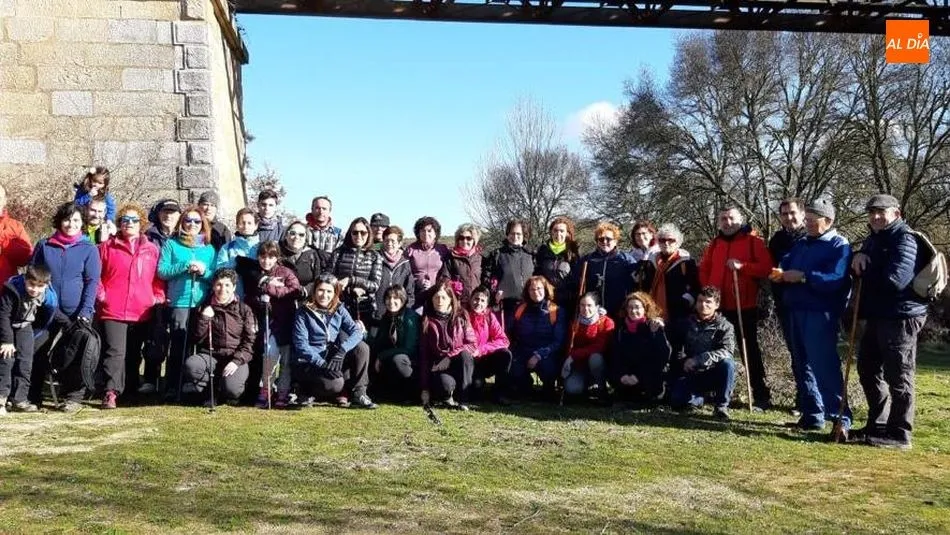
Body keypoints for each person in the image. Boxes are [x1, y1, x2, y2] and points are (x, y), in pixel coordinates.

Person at [851, 194, 929, 450]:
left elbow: (895, 280)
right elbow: (867, 263)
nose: (875, 216)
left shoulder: (905, 239)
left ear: (896, 213)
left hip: (902, 316)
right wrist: (858, 255)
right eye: (871, 212)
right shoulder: (875, 239)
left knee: (900, 376)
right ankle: (879, 425)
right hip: (879, 315)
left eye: (881, 212)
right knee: (867, 368)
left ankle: (900, 434)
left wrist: (866, 266)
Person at [774, 199, 851, 433]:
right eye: (806, 219)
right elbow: (786, 263)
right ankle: (812, 415)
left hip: (820, 313)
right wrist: (779, 272)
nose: (806, 223)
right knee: (802, 365)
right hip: (794, 309)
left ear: (828, 220)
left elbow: (836, 278)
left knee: (824, 365)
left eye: (811, 220)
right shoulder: (802, 243)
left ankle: (840, 418)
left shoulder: (839, 245)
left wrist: (804, 277)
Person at [699, 206, 773, 411]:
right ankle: (716, 392)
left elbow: (766, 268)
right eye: (723, 219)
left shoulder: (753, 242)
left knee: (749, 351)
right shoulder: (714, 244)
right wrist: (709, 291)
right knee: (715, 349)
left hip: (744, 305)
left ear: (740, 219)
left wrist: (743, 266)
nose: (728, 222)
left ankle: (761, 395)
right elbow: (704, 268)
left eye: (731, 218)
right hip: (718, 308)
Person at [28, 202, 102, 411]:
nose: (71, 224)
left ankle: (73, 398)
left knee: (77, 353)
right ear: (60, 221)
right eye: (67, 219)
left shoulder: (89, 249)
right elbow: (33, 275)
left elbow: (92, 282)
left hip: (77, 313)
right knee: (36, 350)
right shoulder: (45, 245)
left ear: (82, 223)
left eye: (76, 220)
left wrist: (86, 310)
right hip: (46, 310)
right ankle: (32, 396)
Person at [96, 204, 165, 409]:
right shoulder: (107, 247)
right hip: (113, 309)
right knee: (115, 351)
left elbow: (158, 278)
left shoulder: (151, 250)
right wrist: (101, 294)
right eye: (125, 220)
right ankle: (110, 392)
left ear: (141, 223)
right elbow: (95, 275)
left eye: (134, 220)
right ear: (119, 223)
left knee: (134, 353)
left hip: (141, 310)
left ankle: (130, 390)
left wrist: (156, 297)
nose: (130, 223)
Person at [292, 274, 377, 409]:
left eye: (329, 291)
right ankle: (306, 390)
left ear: (335, 293)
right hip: (311, 362)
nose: (324, 295)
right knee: (336, 385)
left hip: (331, 356)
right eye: (321, 290)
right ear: (314, 291)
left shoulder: (339, 309)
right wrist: (322, 364)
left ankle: (359, 393)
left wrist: (342, 350)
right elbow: (301, 345)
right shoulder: (303, 312)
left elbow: (356, 332)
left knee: (362, 348)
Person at [157, 206, 216, 401]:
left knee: (199, 345)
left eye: (197, 221)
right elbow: (162, 271)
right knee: (178, 346)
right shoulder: (171, 244)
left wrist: (203, 271)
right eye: (188, 220)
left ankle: (195, 387)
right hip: (179, 302)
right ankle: (173, 386)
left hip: (201, 303)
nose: (192, 224)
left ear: (202, 224)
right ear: (181, 222)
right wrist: (184, 266)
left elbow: (214, 277)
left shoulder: (208, 249)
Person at [240, 240, 302, 409]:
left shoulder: (285, 272)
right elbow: (249, 296)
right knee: (269, 356)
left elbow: (294, 290)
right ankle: (266, 389)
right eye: (263, 257)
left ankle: (283, 391)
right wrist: (260, 298)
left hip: (286, 322)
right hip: (268, 323)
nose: (266, 261)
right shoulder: (255, 273)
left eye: (271, 257)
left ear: (277, 257)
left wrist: (270, 289)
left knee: (286, 360)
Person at [182, 269, 256, 405]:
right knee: (192, 365)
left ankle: (223, 392)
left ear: (234, 287)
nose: (223, 289)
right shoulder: (204, 307)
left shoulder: (244, 310)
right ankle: (208, 392)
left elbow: (249, 342)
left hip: (234, 358)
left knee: (232, 390)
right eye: (219, 284)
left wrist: (236, 361)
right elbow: (196, 338)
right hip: (210, 356)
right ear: (213, 286)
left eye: (227, 285)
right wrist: (204, 318)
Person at [0, 266, 67, 413]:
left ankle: (19, 399)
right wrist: (7, 341)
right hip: (6, 325)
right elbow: (3, 315)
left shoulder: (48, 295)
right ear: (25, 280)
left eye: (40, 286)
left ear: (47, 285)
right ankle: (1, 399)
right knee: (7, 359)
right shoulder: (11, 290)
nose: (34, 289)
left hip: (25, 325)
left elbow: (53, 311)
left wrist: (69, 324)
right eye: (31, 284)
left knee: (25, 361)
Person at [669, 286, 737, 420]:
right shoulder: (686, 323)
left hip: (713, 372)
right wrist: (684, 361)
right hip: (691, 373)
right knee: (677, 401)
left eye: (708, 302)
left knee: (728, 364)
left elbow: (727, 351)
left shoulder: (725, 326)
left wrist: (698, 360)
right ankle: (699, 398)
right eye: (700, 301)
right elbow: (675, 347)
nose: (703, 305)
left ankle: (721, 406)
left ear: (716, 305)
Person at [139, 198, 181, 394]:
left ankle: (173, 381)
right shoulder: (148, 236)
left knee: (177, 339)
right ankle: (150, 378)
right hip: (153, 295)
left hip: (177, 294)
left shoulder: (185, 236)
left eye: (173, 212)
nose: (168, 216)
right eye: (165, 212)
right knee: (154, 338)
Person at [419, 280, 476, 410]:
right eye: (436, 297)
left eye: (443, 297)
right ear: (432, 299)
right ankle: (448, 395)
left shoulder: (462, 316)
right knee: (444, 385)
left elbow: (472, 344)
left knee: (465, 355)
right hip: (440, 366)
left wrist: (450, 356)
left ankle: (464, 399)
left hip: (459, 363)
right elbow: (424, 356)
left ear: (451, 299)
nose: (440, 301)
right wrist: (425, 388)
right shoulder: (427, 321)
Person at [509, 276, 566, 399]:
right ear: (527, 292)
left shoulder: (556, 310)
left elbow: (558, 341)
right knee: (514, 370)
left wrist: (538, 355)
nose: (536, 292)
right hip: (523, 350)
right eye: (532, 289)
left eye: (539, 288)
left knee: (548, 369)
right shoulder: (519, 309)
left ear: (545, 289)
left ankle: (549, 388)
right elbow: (510, 333)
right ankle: (525, 387)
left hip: (546, 352)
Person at [611, 292, 671, 403]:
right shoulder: (621, 329)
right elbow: (616, 355)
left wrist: (638, 376)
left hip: (647, 375)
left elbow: (662, 356)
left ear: (645, 309)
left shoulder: (653, 326)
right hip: (627, 376)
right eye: (630, 307)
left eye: (637, 307)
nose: (633, 311)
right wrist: (622, 374)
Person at [636, 224, 700, 323]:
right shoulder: (650, 262)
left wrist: (686, 300)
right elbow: (645, 286)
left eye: (671, 240)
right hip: (653, 312)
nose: (666, 243)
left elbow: (695, 286)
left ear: (677, 242)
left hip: (680, 314)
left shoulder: (686, 262)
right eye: (662, 240)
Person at [329, 217, 383, 325]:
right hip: (339, 306)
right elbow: (327, 277)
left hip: (365, 308)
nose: (359, 236)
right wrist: (338, 285)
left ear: (368, 234)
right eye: (355, 232)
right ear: (350, 234)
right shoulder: (338, 253)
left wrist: (351, 280)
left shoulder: (374, 256)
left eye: (363, 233)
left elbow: (375, 285)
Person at [562, 292, 614, 403]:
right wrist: (568, 359)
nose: (585, 309)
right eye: (582, 305)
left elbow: (599, 347)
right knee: (572, 389)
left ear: (597, 307)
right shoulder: (574, 323)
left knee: (595, 358)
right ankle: (586, 386)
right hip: (579, 366)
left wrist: (573, 355)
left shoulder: (606, 322)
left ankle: (601, 389)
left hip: (599, 365)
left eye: (589, 305)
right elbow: (568, 345)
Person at [483, 219, 535, 330]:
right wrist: (494, 292)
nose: (515, 236)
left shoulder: (531, 255)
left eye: (518, 234)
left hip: (528, 305)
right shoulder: (497, 254)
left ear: (524, 236)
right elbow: (486, 277)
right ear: (507, 234)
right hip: (505, 307)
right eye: (512, 233)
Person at [371, 284, 420, 401]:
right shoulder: (387, 317)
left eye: (396, 298)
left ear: (403, 300)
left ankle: (411, 392)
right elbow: (379, 342)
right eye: (388, 298)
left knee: (398, 359)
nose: (391, 301)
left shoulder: (410, 318)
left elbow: (409, 349)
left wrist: (382, 356)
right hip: (393, 354)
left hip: (412, 360)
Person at [579, 222, 636, 319]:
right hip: (594, 312)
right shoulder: (588, 260)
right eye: (601, 239)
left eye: (608, 239)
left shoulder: (626, 260)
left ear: (615, 241)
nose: (604, 242)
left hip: (619, 310)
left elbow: (635, 284)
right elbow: (578, 282)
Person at [467, 286, 512, 404]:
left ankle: (500, 393)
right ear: (471, 299)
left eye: (483, 301)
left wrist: (482, 349)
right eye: (476, 299)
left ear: (487, 304)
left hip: (484, 358)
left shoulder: (489, 316)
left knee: (505, 354)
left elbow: (503, 340)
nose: (479, 303)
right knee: (477, 386)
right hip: (468, 360)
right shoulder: (463, 316)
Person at [768, 198, 807, 318]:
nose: (789, 217)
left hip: (809, 302)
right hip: (783, 301)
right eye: (784, 214)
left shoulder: (813, 237)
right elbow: (771, 266)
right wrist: (774, 276)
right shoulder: (776, 240)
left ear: (803, 214)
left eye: (792, 213)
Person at [214, 207, 261, 298]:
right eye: (242, 223)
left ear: (256, 225)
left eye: (249, 223)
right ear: (237, 225)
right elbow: (219, 271)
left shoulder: (262, 248)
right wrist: (235, 265)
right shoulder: (228, 248)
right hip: (235, 296)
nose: (246, 226)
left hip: (257, 297)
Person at [534, 216, 579, 308]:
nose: (558, 234)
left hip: (566, 302)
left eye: (562, 231)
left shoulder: (573, 252)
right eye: (555, 230)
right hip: (545, 299)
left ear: (567, 233)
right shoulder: (542, 251)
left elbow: (576, 279)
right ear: (551, 232)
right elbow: (536, 274)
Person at [406, 216, 450, 310]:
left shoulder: (443, 249)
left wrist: (438, 285)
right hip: (416, 295)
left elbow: (446, 272)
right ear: (418, 233)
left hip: (437, 295)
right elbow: (405, 273)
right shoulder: (411, 250)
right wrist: (417, 282)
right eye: (423, 230)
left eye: (429, 231)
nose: (426, 233)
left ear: (435, 234)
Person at [375, 225, 415, 323]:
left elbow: (409, 292)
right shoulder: (375, 259)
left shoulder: (405, 264)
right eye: (386, 240)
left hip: (398, 314)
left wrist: (405, 312)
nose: (389, 244)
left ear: (399, 243)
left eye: (393, 241)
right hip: (376, 314)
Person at [279, 220, 327, 298]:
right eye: (292, 233)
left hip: (305, 300)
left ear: (306, 238)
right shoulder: (277, 253)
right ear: (286, 235)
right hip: (280, 298)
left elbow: (318, 280)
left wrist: (305, 290)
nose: (296, 237)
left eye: (301, 235)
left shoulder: (312, 255)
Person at [0, 184, 33, 285]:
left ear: (5, 200)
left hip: (6, 288)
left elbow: (27, 256)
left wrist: (4, 246)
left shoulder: (15, 226)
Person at [445, 223, 483, 307]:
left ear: (474, 240)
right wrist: (452, 285)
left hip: (476, 303)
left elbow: (485, 280)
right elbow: (444, 278)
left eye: (469, 238)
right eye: (461, 238)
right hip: (457, 302)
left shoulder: (480, 258)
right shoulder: (450, 258)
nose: (465, 241)